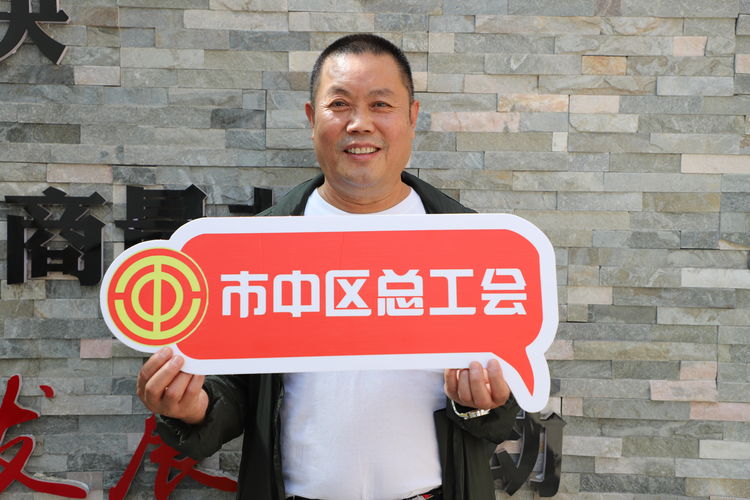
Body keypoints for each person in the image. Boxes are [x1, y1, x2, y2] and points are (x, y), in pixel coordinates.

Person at [136, 34, 521, 500]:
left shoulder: (474, 244)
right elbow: (235, 387)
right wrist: (194, 405)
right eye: (339, 104)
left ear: (412, 116)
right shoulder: (256, 247)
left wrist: (481, 404)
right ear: (311, 117)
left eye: (381, 105)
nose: (360, 124)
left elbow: (509, 401)